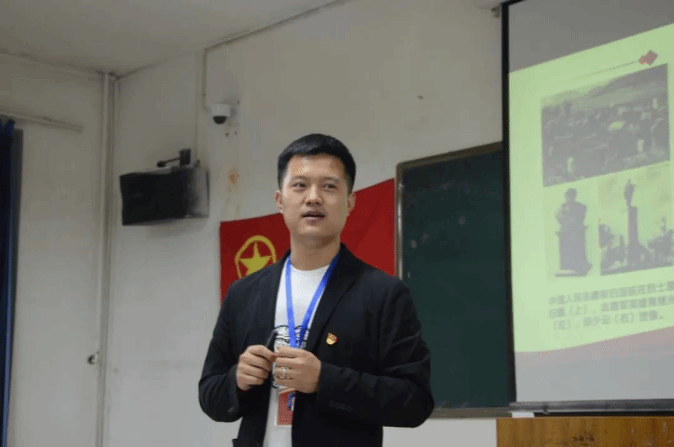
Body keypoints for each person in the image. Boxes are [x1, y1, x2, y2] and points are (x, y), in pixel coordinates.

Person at [199, 134, 434, 447]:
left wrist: (325, 380)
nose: (313, 198)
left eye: (329, 186)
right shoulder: (243, 293)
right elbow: (209, 395)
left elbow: (415, 401)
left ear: (350, 202)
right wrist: (237, 380)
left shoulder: (383, 294)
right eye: (300, 185)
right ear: (280, 200)